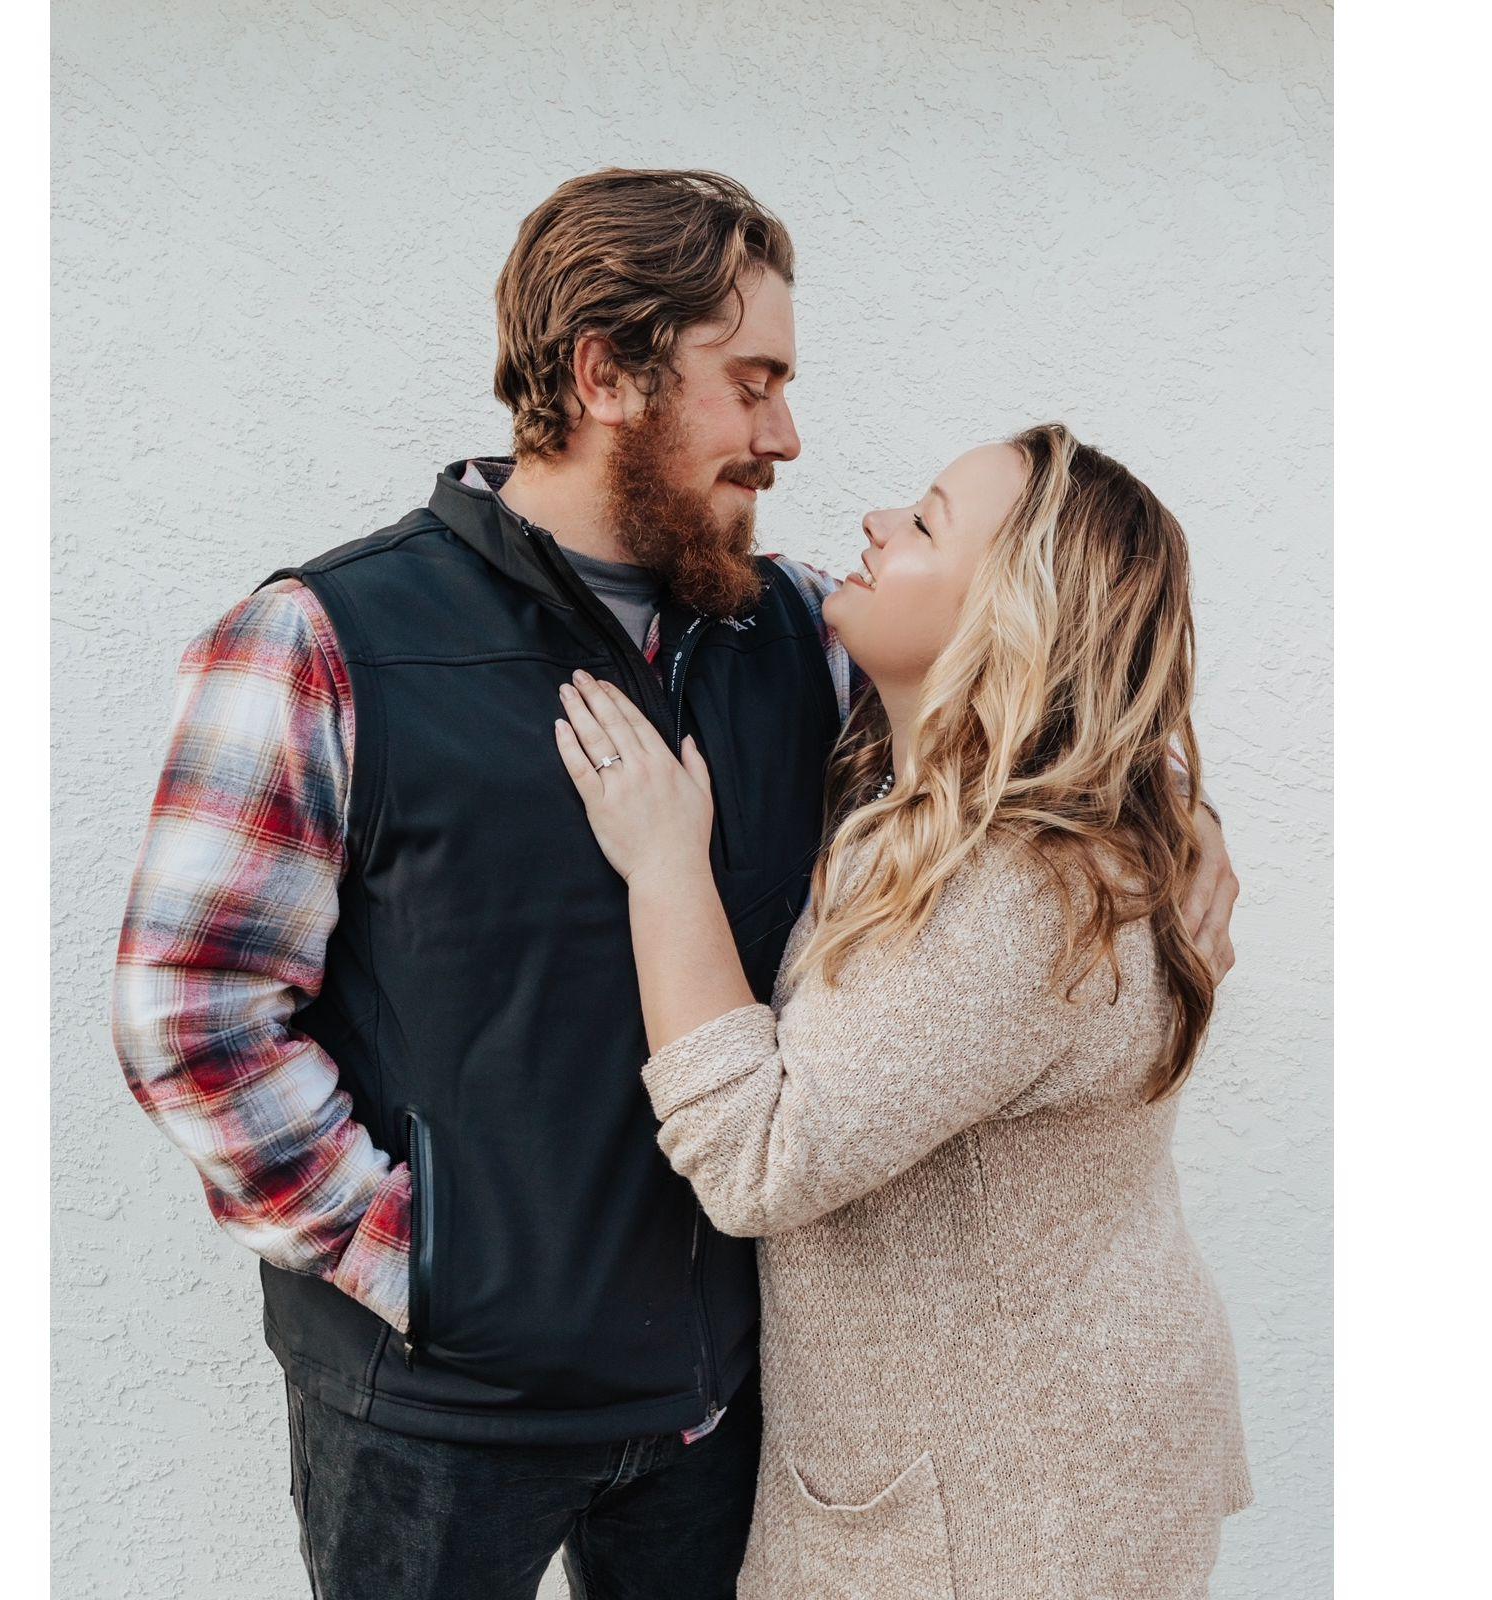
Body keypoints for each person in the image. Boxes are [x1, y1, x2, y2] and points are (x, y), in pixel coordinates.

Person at [112, 168, 1241, 1600]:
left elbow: (1030, 709)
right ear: (607, 374)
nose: (788, 435)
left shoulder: (800, 640)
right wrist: (419, 1263)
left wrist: (1174, 820)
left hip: (716, 1420)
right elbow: (191, 1013)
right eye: (752, 381)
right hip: (438, 1421)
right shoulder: (322, 641)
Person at [553, 423, 1252, 1598]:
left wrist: (665, 860)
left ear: (1013, 621)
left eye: (924, 522)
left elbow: (756, 1158)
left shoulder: (1014, 887)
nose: (875, 523)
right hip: (1048, 1457)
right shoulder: (954, 791)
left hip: (1004, 1517)